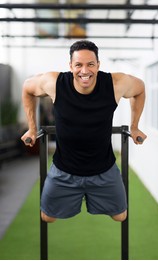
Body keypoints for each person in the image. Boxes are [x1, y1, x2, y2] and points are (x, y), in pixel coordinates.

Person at [21, 40, 147, 223]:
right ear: (70, 66)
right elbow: (27, 88)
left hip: (104, 169)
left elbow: (140, 88)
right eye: (78, 65)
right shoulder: (55, 83)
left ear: (98, 65)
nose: (85, 71)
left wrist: (134, 126)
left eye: (90, 64)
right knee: (47, 217)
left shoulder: (115, 84)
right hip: (64, 170)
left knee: (120, 216)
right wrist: (32, 129)